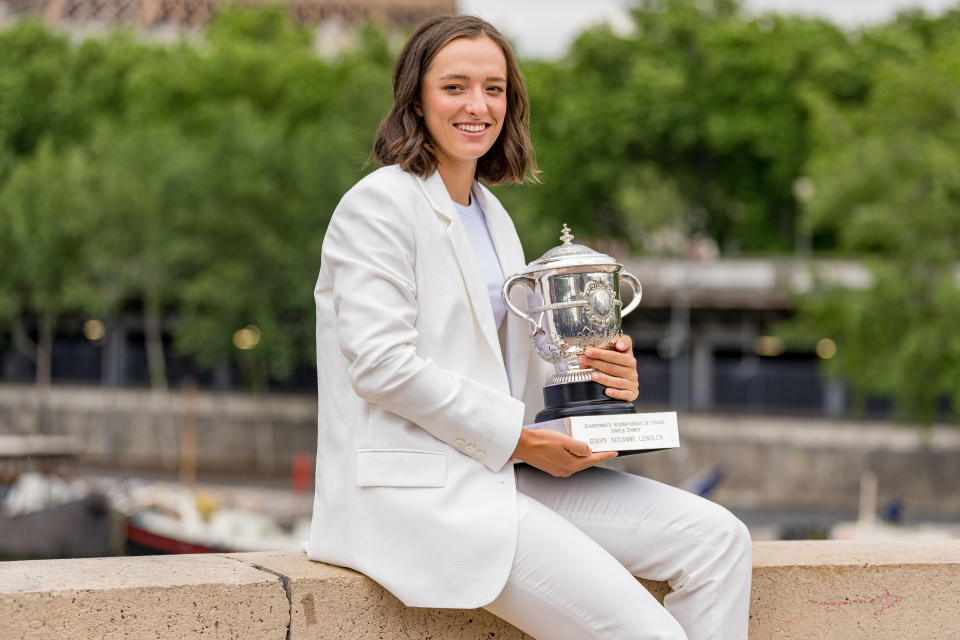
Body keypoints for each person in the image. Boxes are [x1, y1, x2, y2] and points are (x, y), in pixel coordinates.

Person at [306, 14, 752, 640]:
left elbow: (507, 367)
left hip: (498, 474)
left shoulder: (493, 217)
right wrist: (518, 442)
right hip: (423, 492)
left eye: (495, 88)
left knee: (719, 541)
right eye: (455, 86)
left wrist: (599, 376)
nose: (478, 105)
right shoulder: (379, 204)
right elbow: (383, 367)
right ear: (415, 97)